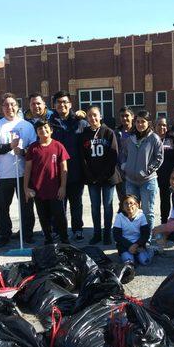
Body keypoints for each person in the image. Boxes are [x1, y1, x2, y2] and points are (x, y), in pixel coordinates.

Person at [0, 93, 37, 247]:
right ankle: (4, 234)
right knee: (3, 207)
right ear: (2, 108)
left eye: (12, 105)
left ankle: (27, 233)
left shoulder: (27, 126)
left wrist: (22, 151)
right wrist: (9, 147)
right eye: (6, 105)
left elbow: (35, 148)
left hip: (23, 173)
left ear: (17, 107)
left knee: (26, 206)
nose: (9, 108)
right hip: (3, 174)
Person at [49, 90, 88, 241]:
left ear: (70, 104)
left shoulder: (80, 122)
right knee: (59, 204)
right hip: (56, 172)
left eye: (65, 102)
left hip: (76, 170)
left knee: (76, 203)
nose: (62, 105)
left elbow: (95, 131)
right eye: (59, 102)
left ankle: (77, 229)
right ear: (54, 106)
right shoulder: (50, 124)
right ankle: (59, 230)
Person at [23, 120, 70, 244]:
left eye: (45, 127)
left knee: (60, 216)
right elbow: (27, 169)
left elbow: (64, 168)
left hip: (55, 189)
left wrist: (63, 187)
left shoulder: (58, 146)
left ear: (51, 130)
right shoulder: (33, 148)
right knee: (43, 217)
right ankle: (48, 238)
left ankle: (64, 238)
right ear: (37, 132)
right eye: (39, 129)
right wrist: (26, 188)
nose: (43, 130)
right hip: (38, 190)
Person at [79, 106, 121, 245]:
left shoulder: (108, 132)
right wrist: (89, 175)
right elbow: (82, 157)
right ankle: (97, 234)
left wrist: (104, 175)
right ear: (87, 118)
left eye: (95, 115)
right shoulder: (84, 134)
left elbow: (113, 155)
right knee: (95, 206)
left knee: (108, 206)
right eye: (90, 116)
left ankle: (107, 234)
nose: (93, 118)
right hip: (92, 178)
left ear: (100, 116)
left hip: (108, 177)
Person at [122, 110, 164, 233]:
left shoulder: (154, 138)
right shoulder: (130, 138)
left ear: (149, 123)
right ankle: (134, 235)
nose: (140, 124)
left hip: (148, 181)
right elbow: (123, 154)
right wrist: (125, 166)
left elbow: (159, 158)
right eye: (138, 122)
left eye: (143, 122)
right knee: (131, 210)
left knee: (147, 212)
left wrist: (147, 171)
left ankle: (147, 239)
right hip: (131, 181)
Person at [112, 194, 153, 266]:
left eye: (131, 203)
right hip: (124, 245)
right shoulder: (119, 216)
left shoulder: (141, 216)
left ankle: (151, 250)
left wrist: (136, 245)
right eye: (126, 203)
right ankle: (131, 256)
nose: (129, 206)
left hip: (139, 244)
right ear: (122, 206)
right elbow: (117, 236)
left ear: (137, 205)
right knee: (129, 263)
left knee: (145, 262)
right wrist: (130, 246)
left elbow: (145, 234)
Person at [155, 116, 174, 224]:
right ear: (155, 126)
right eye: (159, 124)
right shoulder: (152, 139)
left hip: (172, 174)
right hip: (157, 175)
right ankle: (164, 222)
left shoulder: (172, 139)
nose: (161, 127)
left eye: (164, 125)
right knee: (164, 200)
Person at [115, 106, 135, 202]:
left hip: (135, 173)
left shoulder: (138, 132)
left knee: (135, 201)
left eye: (127, 116)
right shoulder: (115, 133)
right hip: (120, 174)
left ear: (132, 116)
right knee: (123, 201)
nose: (124, 118)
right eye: (122, 116)